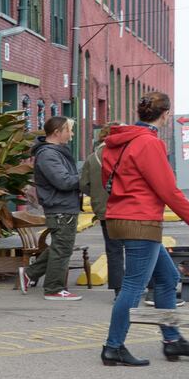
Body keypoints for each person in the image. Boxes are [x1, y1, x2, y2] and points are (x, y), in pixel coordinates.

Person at [100, 91, 189, 366]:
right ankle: (114, 346)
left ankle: (172, 340)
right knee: (133, 286)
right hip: (141, 221)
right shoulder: (148, 144)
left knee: (167, 278)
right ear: (165, 115)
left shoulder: (117, 141)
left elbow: (107, 179)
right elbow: (168, 190)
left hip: (119, 217)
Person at [20, 115, 83, 300]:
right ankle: (54, 289)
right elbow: (62, 181)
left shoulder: (54, 152)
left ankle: (29, 274)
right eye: (68, 131)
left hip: (63, 206)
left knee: (60, 246)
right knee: (62, 249)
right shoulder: (49, 154)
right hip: (60, 207)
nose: (71, 135)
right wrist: (86, 179)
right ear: (57, 132)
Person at [78, 124, 123, 294]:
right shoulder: (125, 153)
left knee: (113, 250)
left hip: (104, 210)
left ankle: (118, 289)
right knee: (137, 249)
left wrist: (97, 194)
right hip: (128, 209)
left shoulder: (92, 157)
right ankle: (138, 287)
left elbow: (83, 184)